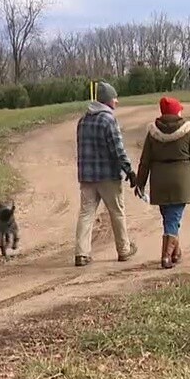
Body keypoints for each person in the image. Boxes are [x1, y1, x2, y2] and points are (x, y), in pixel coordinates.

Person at [135, 96, 190, 269]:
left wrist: (140, 183)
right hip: (180, 182)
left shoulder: (152, 133)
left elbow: (145, 161)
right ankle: (166, 256)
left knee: (170, 217)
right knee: (173, 218)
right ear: (176, 112)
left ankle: (176, 252)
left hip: (159, 182)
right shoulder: (187, 131)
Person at [74, 81, 139, 267]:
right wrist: (129, 170)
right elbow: (117, 149)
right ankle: (124, 249)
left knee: (86, 214)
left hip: (87, 177)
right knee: (117, 212)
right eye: (114, 99)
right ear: (108, 101)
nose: (116, 102)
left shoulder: (83, 120)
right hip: (108, 176)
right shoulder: (108, 120)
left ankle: (81, 253)